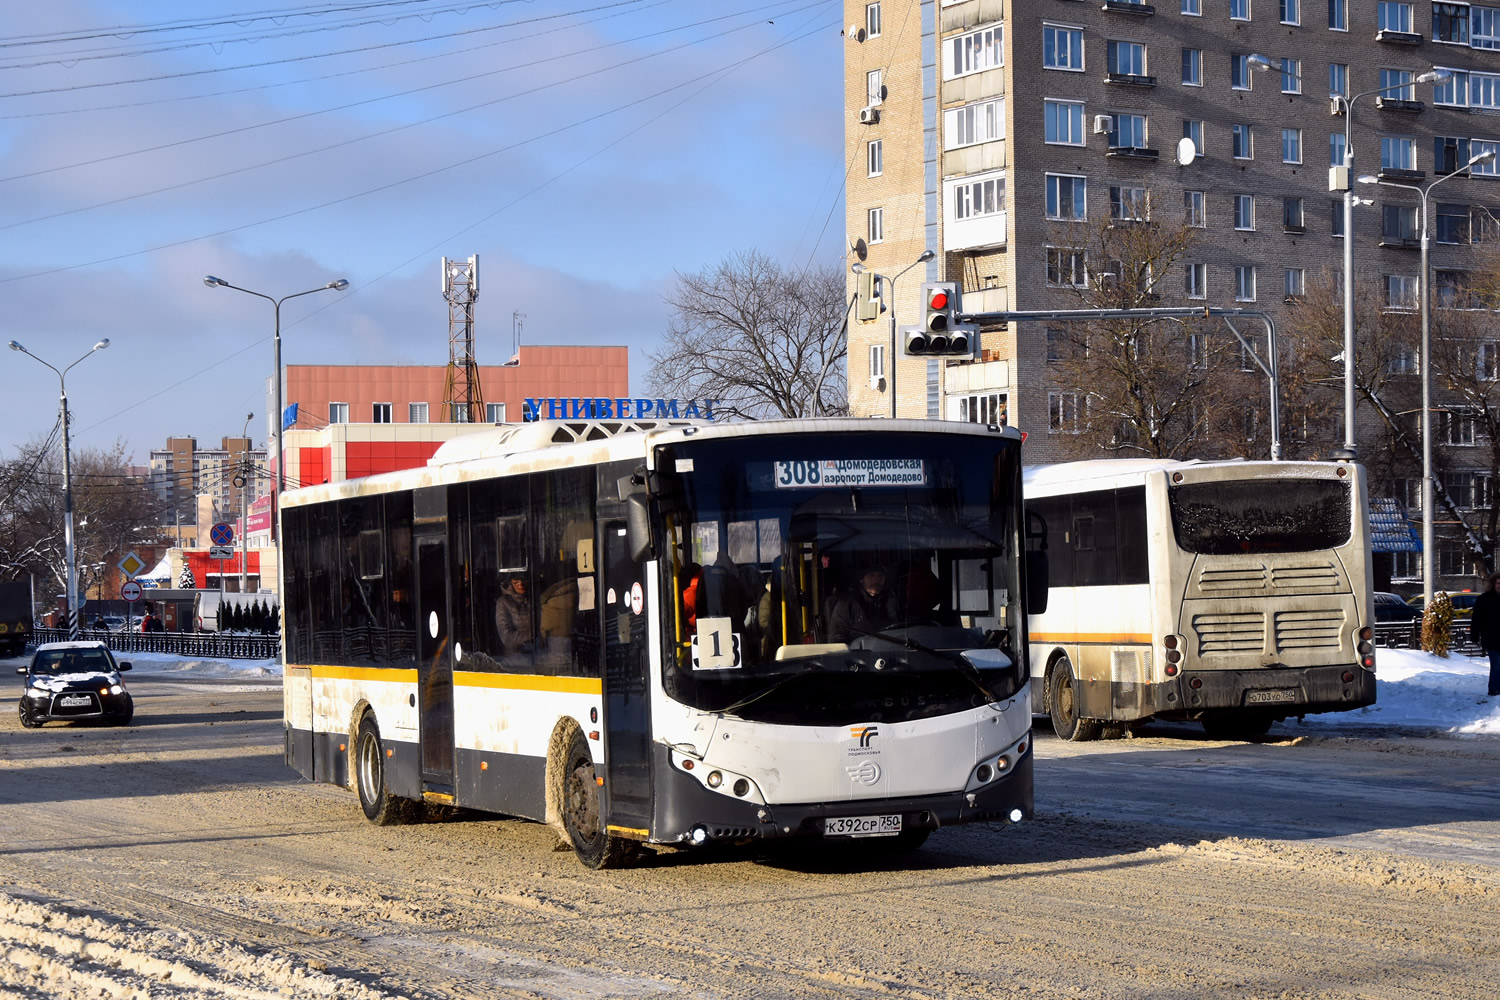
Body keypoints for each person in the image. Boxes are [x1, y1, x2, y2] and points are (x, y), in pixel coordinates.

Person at [829, 567, 898, 643]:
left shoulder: (892, 601)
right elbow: (836, 641)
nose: (876, 580)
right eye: (871, 575)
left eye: (880, 576)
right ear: (862, 579)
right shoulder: (846, 605)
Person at [1469, 571, 1500, 699]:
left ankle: (1494, 690)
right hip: (1492, 638)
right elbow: (1477, 619)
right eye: (1498, 583)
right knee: (1497, 665)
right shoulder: (1485, 599)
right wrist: (1474, 635)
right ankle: (1495, 691)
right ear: (1493, 584)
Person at [494, 573, 534, 654]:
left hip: (539, 654)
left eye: (524, 579)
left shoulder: (535, 598)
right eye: (516, 581)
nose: (521, 583)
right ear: (510, 582)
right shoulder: (503, 602)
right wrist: (533, 636)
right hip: (515, 658)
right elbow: (507, 638)